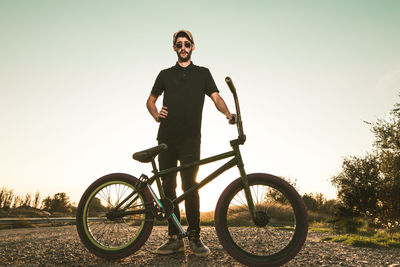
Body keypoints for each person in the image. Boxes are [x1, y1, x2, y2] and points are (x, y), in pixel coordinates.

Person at [146, 30, 233, 256]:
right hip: (165, 137)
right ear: (174, 48)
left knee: (191, 186)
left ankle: (194, 236)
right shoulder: (164, 74)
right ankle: (174, 238)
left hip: (191, 138)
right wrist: (156, 115)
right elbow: (151, 100)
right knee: (168, 187)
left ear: (193, 46)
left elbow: (215, 97)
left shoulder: (203, 73)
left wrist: (228, 114)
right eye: (178, 44)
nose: (183, 47)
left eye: (186, 44)